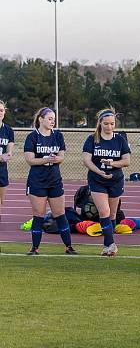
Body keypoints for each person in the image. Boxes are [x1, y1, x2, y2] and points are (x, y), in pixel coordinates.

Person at [23, 107, 76, 255]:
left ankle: (69, 247)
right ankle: (34, 248)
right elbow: (30, 160)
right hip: (37, 181)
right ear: (41, 119)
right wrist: (44, 160)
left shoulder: (58, 135)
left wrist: (54, 159)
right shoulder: (32, 137)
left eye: (54, 119)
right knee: (38, 215)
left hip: (54, 180)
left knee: (60, 214)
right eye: (50, 118)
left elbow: (61, 157)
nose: (53, 121)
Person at [81, 108, 131, 256]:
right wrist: (99, 171)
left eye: (112, 123)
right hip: (97, 180)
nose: (109, 127)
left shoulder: (120, 139)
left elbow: (127, 161)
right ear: (100, 123)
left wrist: (112, 164)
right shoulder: (92, 139)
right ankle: (111, 244)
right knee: (104, 211)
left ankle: (107, 245)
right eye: (106, 124)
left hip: (115, 180)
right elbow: (86, 160)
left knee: (113, 214)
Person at [0, 100, 15, 221]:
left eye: (1, 110)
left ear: (4, 112)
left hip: (2, 168)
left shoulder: (8, 130)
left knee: (1, 199)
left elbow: (9, 151)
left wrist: (8, 154)